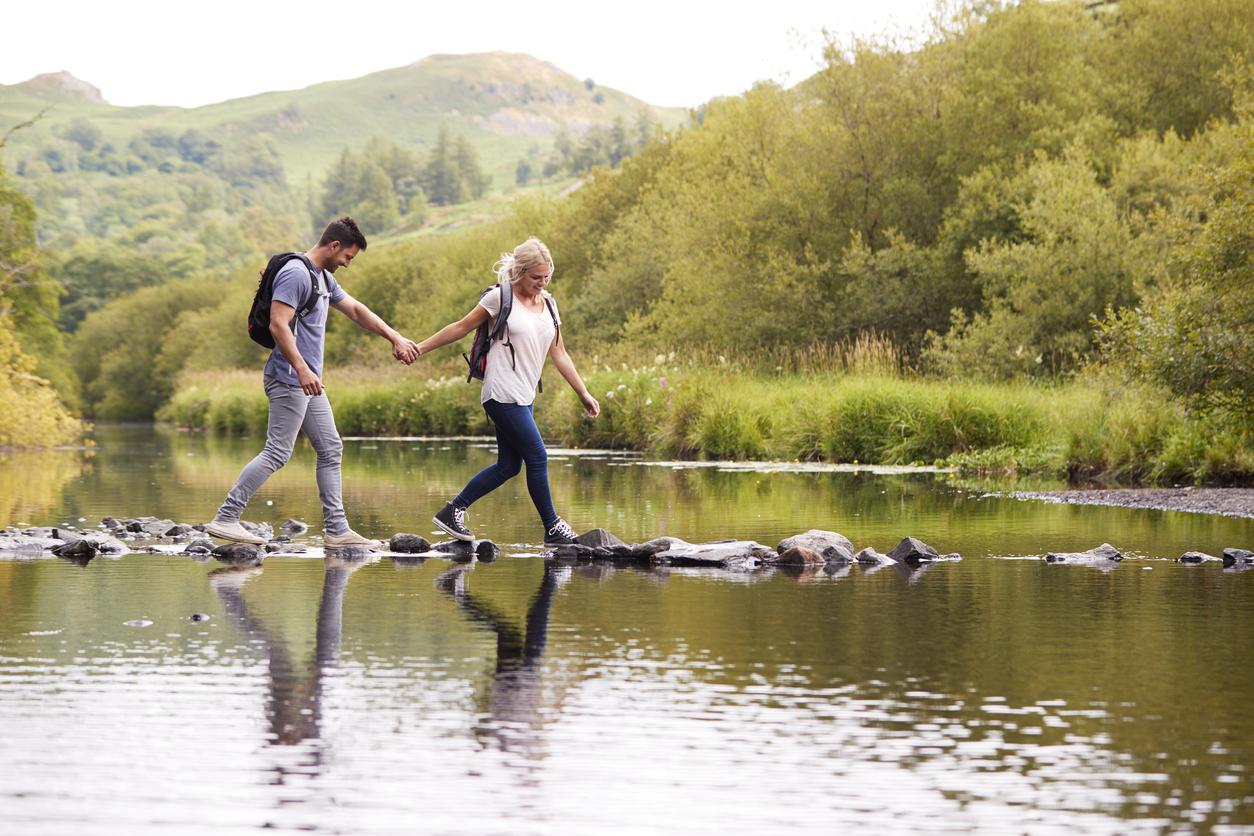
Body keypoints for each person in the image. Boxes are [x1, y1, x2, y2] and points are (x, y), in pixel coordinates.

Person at [206, 217, 419, 548]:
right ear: (334, 246)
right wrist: (303, 369)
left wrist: (394, 336)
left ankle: (337, 530)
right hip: (291, 378)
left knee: (331, 448)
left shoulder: (323, 278)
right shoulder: (296, 273)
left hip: (307, 382)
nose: (347, 264)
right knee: (277, 452)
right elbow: (278, 325)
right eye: (347, 256)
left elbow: (357, 311)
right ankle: (226, 518)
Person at [415, 237, 599, 546]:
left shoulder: (549, 304)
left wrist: (583, 393)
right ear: (519, 272)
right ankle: (552, 526)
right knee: (538, 457)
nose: (541, 283)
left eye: (546, 277)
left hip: (524, 395)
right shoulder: (500, 298)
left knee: (509, 465)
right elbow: (460, 327)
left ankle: (453, 511)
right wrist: (419, 348)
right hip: (500, 392)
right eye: (535, 277)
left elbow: (560, 354)